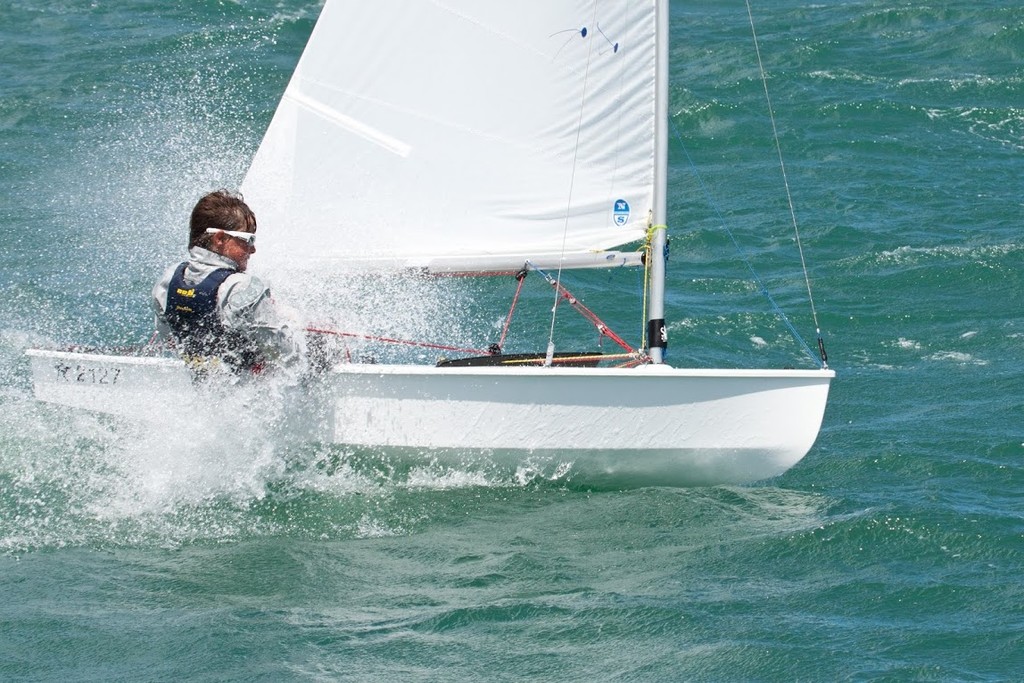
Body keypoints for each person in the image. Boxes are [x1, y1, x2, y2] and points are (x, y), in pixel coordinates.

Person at [152, 189, 304, 374]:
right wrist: (296, 328)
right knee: (324, 344)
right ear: (220, 239)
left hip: (206, 385)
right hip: (251, 395)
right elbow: (288, 355)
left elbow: (169, 340)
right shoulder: (242, 288)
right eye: (248, 239)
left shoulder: (168, 281)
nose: (253, 249)